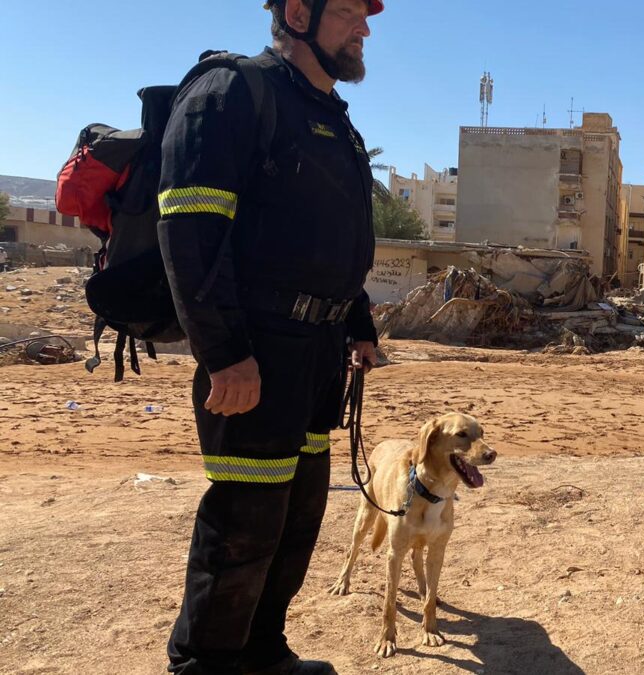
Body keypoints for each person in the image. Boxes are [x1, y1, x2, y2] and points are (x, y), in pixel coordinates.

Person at [158, 1, 383, 672]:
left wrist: (358, 319)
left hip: (318, 355)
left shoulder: (331, 119)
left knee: (296, 514)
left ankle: (262, 651)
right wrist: (224, 353)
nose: (364, 28)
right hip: (257, 347)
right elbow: (188, 231)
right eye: (348, 11)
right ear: (297, 12)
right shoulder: (233, 92)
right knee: (246, 521)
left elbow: (330, 239)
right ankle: (203, 664)